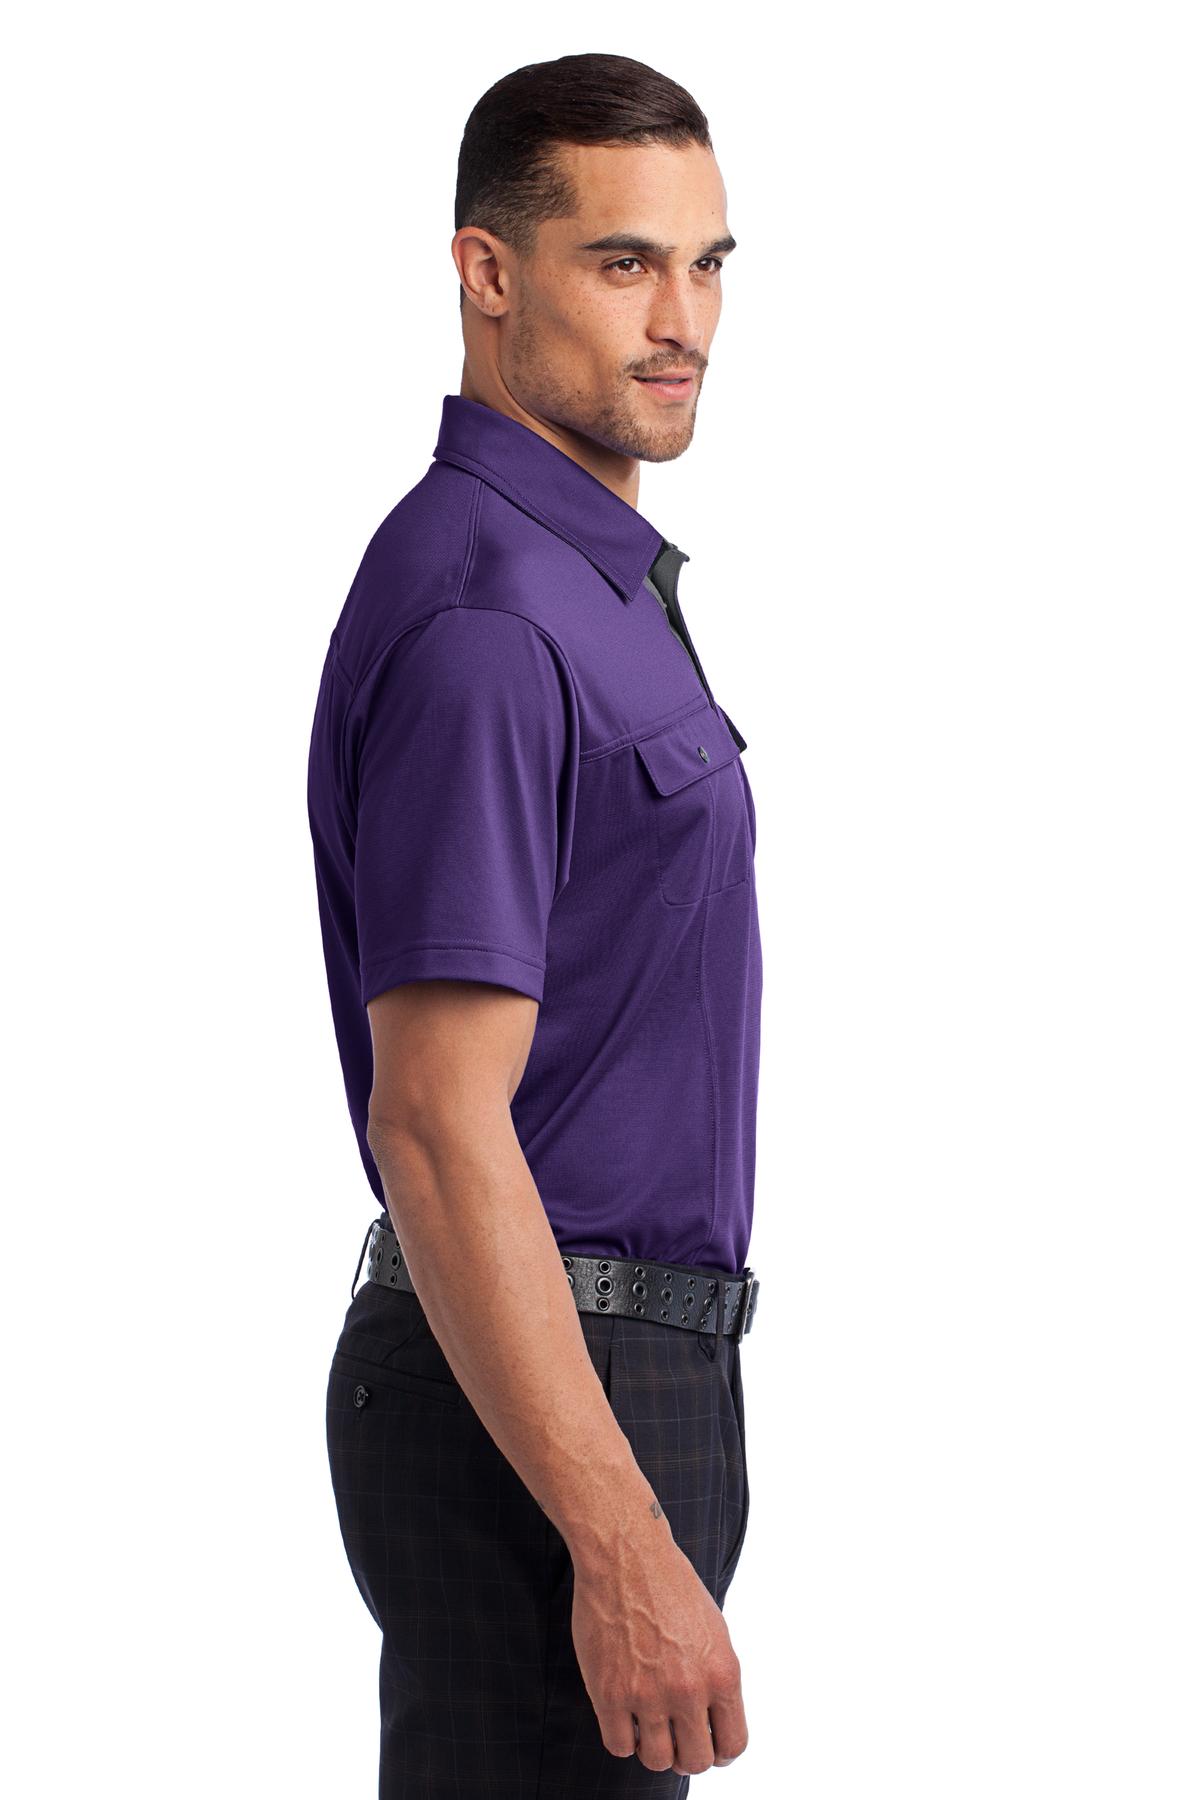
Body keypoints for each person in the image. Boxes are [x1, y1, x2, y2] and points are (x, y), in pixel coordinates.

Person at [306, 51, 763, 1797]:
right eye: (623, 262)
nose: (682, 321)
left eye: (706, 264)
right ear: (486, 273)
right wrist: (619, 1539)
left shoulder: (582, 585)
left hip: (604, 1365)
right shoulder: (492, 619)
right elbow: (434, 1117)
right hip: (545, 1385)